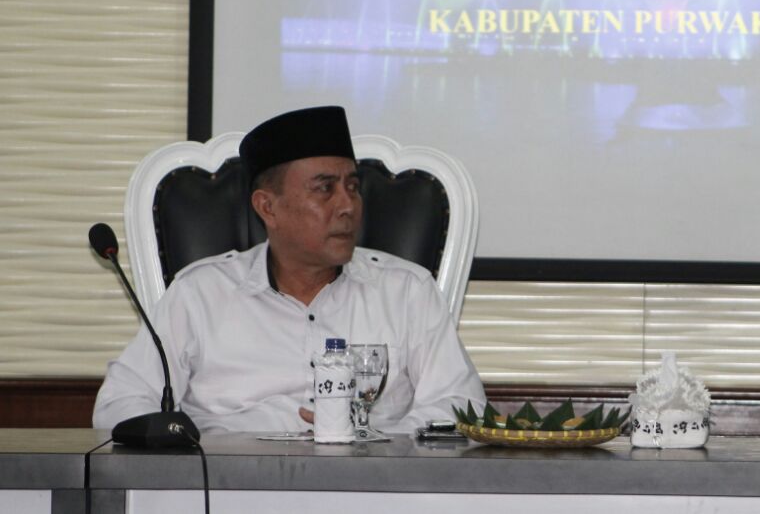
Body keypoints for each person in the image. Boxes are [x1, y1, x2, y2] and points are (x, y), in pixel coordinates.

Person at [94, 106, 486, 434]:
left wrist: (371, 439)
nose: (347, 206)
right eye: (324, 188)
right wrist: (186, 441)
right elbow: (119, 404)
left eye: (352, 187)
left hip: (367, 487)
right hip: (228, 486)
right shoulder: (200, 294)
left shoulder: (407, 291)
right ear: (267, 207)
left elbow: (460, 403)